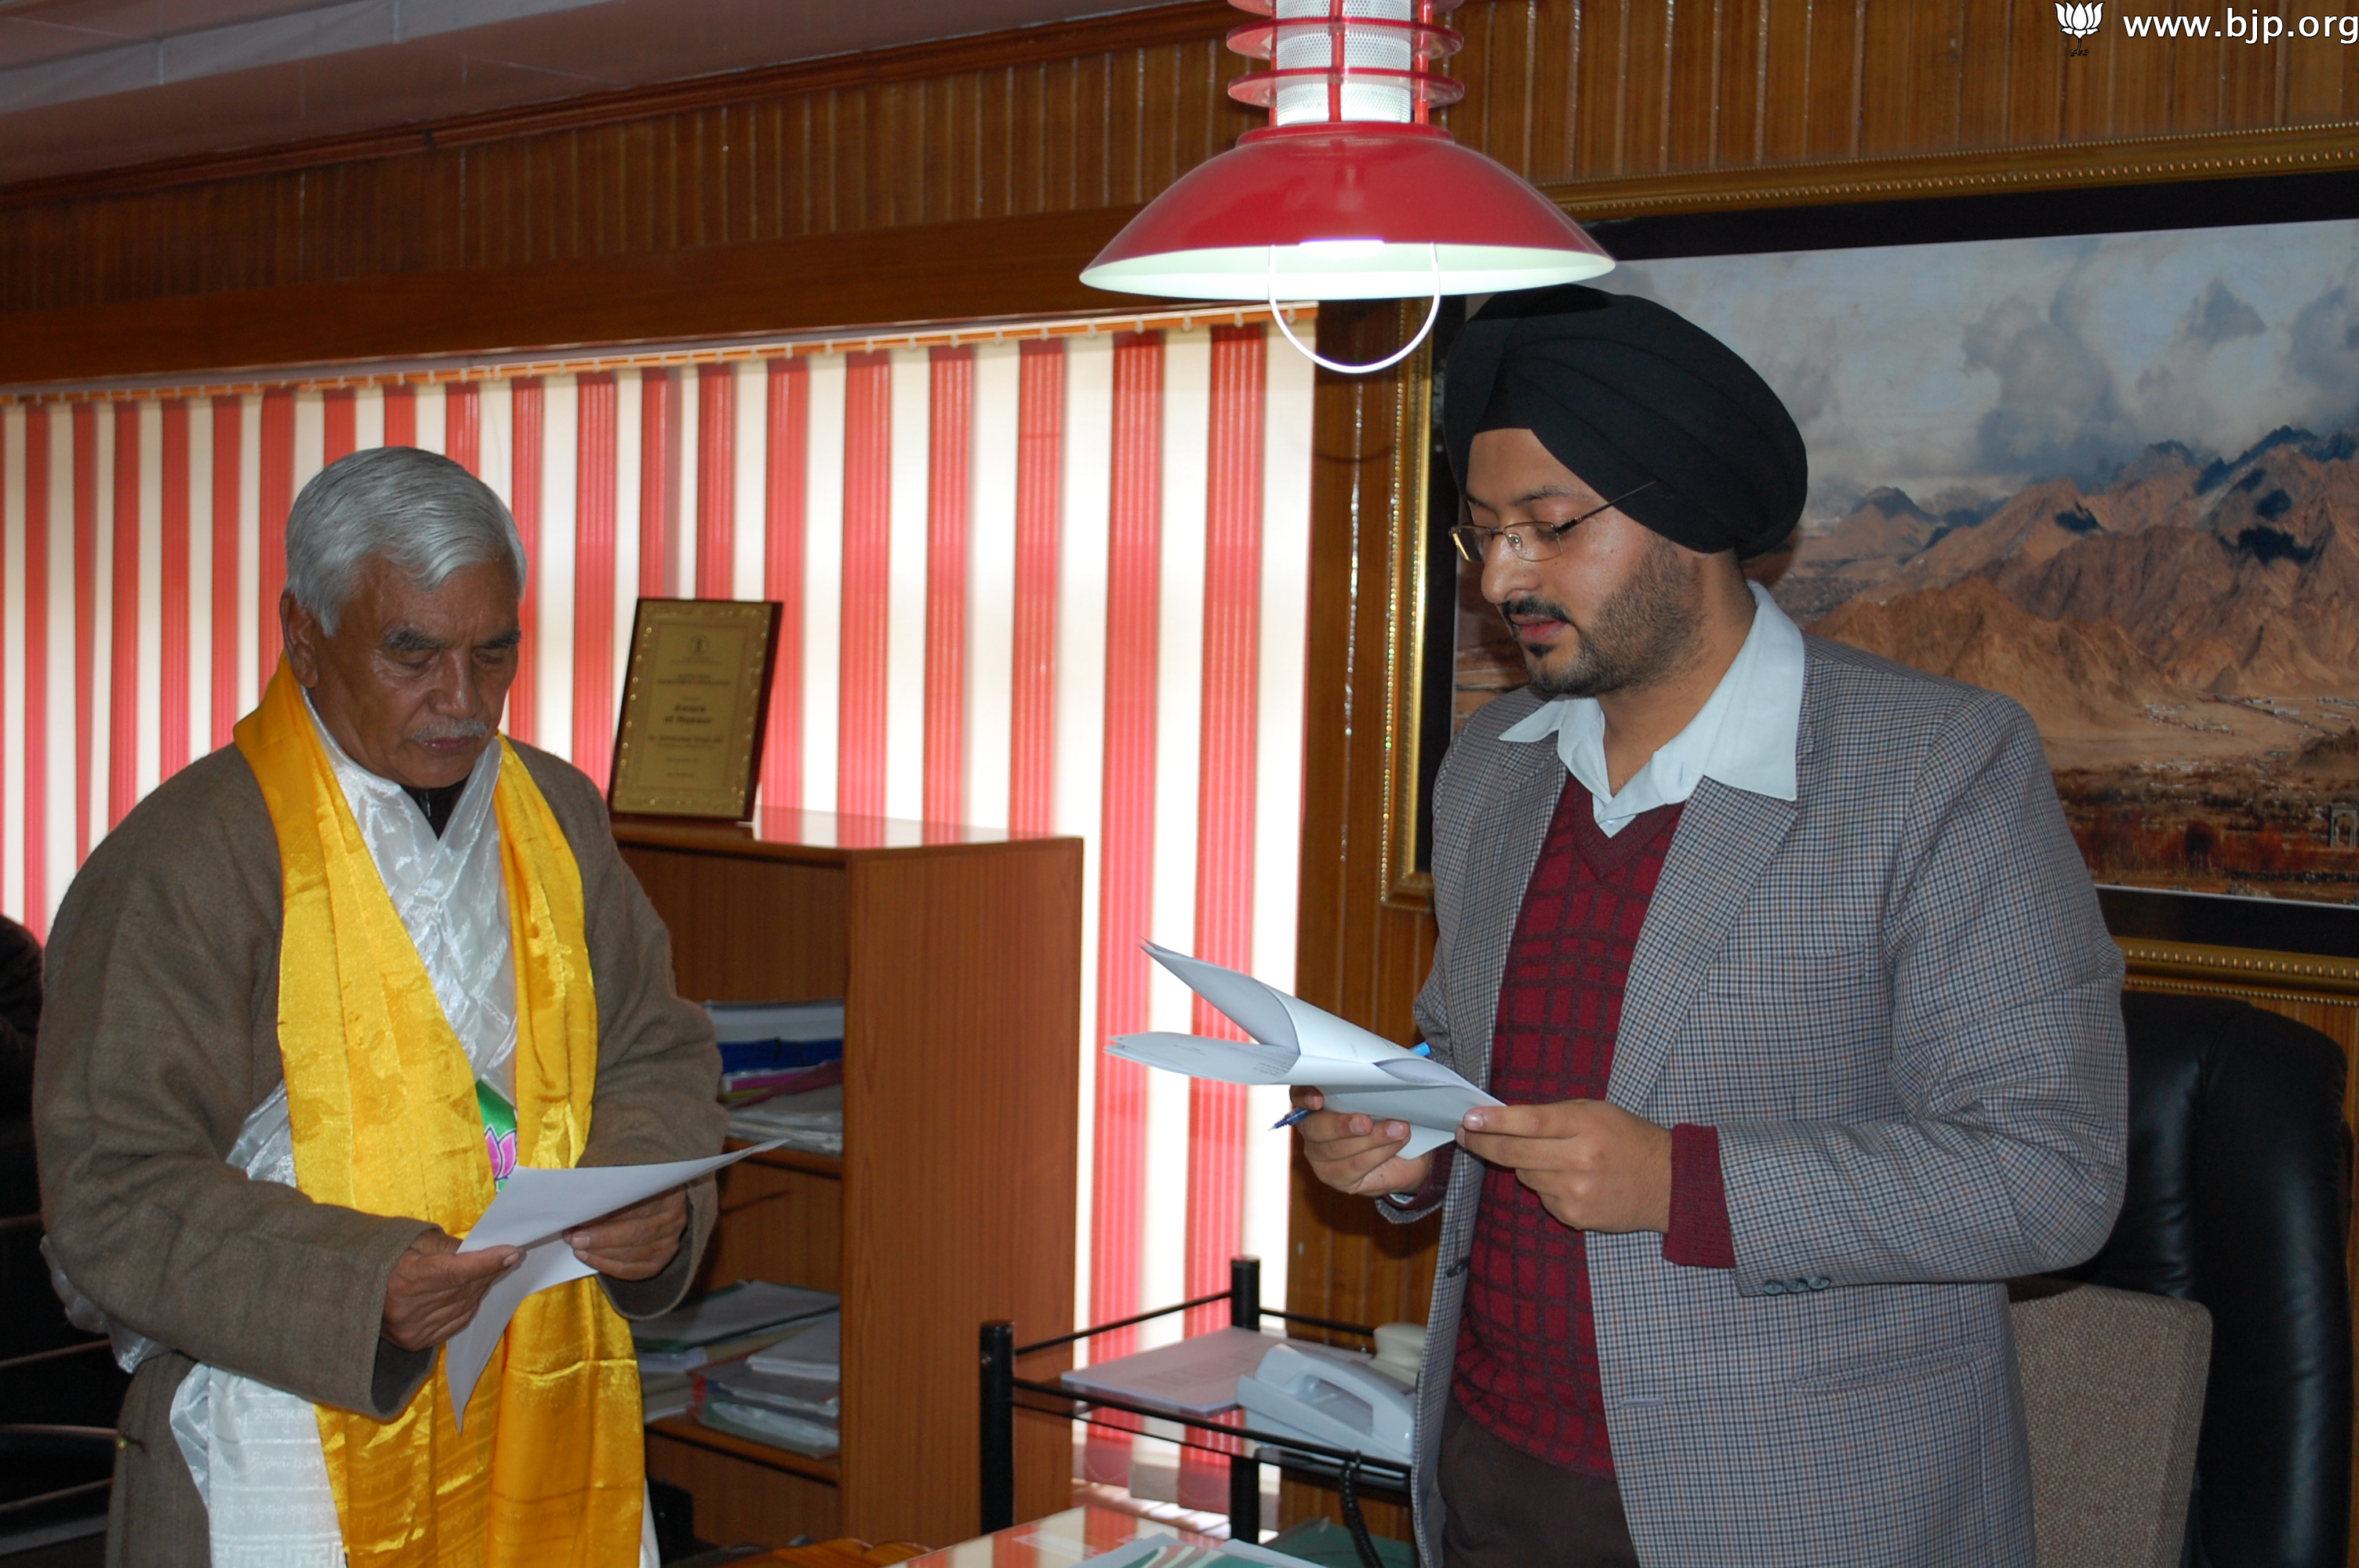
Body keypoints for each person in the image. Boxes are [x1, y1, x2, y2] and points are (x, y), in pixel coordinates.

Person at [1293, 287, 2127, 1567]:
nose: (1505, 575)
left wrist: (1685, 1184)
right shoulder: (1494, 771)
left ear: (1687, 519)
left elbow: (2049, 1176)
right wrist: (1412, 1147)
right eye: (1482, 535)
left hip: (1795, 1513)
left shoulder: (1935, 769)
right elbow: (1472, 1067)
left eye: (1550, 527)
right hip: (1491, 1480)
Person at [36, 447, 725, 1568]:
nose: (461, 701)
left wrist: (650, 1205)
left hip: (542, 1388)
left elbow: (654, 1047)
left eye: (492, 652)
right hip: (287, 1422)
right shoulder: (186, 859)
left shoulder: (553, 812)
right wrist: (367, 1284)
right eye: (413, 653)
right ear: (301, 635)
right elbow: (110, 1191)